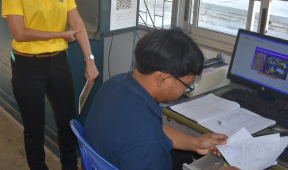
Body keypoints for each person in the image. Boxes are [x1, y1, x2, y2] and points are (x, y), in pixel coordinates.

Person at [1, 0, 99, 170]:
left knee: (68, 124)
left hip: (58, 63)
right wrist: (58, 35)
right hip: (27, 65)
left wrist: (90, 60)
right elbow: (19, 32)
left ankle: (70, 166)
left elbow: (76, 22)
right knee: (34, 129)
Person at [84, 28, 238, 170]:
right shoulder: (148, 144)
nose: (186, 90)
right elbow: (148, 134)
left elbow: (155, 128)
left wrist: (194, 143)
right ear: (164, 79)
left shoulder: (115, 84)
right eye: (187, 85)